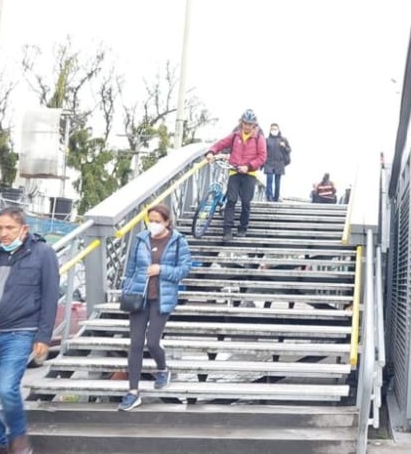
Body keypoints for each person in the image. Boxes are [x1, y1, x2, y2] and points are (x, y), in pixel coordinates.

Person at [0, 207, 60, 454]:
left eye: (10, 228)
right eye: (0, 228)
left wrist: (43, 336)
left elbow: (50, 296)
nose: (4, 233)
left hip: (20, 332)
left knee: (6, 388)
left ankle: (18, 438)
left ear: (24, 229)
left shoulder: (43, 253)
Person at [118, 204, 192, 411]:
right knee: (135, 344)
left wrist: (161, 269)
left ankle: (163, 369)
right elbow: (131, 268)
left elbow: (184, 269)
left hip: (162, 298)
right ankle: (133, 392)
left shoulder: (178, 241)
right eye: (150, 220)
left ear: (167, 222)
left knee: (152, 342)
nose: (153, 224)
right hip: (139, 297)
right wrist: (127, 290)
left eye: (157, 221)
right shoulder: (141, 239)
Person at [205, 109, 267, 242]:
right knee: (231, 200)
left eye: (250, 124)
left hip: (249, 173)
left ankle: (243, 227)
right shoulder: (235, 135)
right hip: (234, 171)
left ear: (254, 125)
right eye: (245, 123)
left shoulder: (259, 138)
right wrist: (211, 151)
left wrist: (248, 166)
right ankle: (227, 230)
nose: (247, 126)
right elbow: (222, 143)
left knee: (246, 201)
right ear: (241, 123)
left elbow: (262, 157)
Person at [262, 122, 291, 202]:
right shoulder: (266, 140)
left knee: (277, 182)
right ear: (270, 130)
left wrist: (284, 146)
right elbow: (263, 151)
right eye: (272, 129)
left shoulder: (283, 139)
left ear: (278, 130)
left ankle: (276, 197)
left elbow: (289, 150)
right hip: (269, 162)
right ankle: (269, 197)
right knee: (269, 180)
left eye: (275, 129)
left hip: (279, 163)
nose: (274, 130)